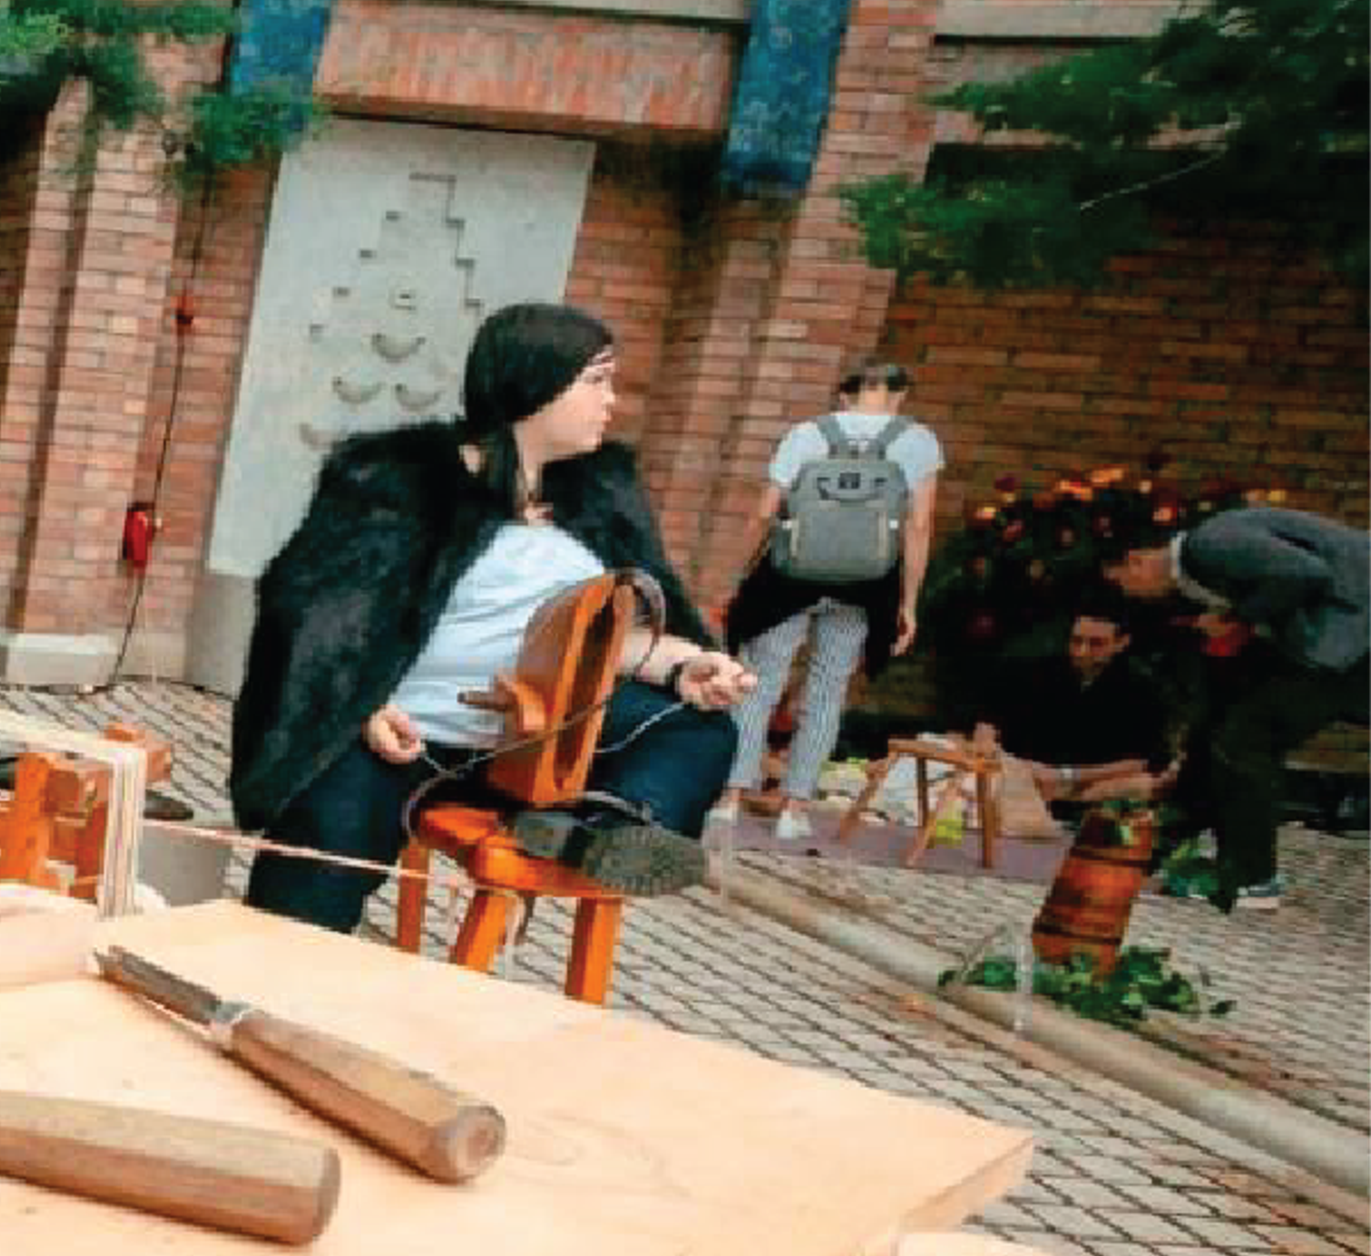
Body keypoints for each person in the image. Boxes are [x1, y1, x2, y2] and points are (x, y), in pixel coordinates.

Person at [231, 302, 754, 933]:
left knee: (698, 729)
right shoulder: (399, 480)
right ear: (535, 379)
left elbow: (616, 637)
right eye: (597, 380)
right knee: (318, 856)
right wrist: (359, 706)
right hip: (403, 738)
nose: (611, 401)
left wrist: (686, 665)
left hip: (537, 744)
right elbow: (312, 607)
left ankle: (598, 832)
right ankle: (261, 982)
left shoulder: (599, 496)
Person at [715, 359, 944, 839]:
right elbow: (919, 526)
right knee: (827, 691)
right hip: (864, 585)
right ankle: (794, 809)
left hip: (789, 580)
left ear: (845, 395)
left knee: (758, 683)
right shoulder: (918, 441)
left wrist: (734, 578)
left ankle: (730, 798)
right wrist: (909, 603)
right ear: (900, 395)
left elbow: (763, 514)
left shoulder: (806, 434)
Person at [1154, 504, 1371, 912]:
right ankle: (1163, 847)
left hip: (1355, 637)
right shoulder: (1216, 553)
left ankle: (1254, 880)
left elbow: (1303, 573)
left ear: (1138, 558)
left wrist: (1239, 619)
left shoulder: (1209, 544)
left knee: (1247, 736)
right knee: (1231, 732)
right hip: (1347, 636)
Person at [977, 605, 1175, 814]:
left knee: (1138, 784)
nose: (1081, 651)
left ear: (1121, 643)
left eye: (1096, 644)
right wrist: (987, 744)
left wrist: (1064, 775)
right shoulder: (1037, 670)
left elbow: (1141, 762)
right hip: (1020, 772)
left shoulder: (1144, 689)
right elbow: (989, 718)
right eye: (1076, 641)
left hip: (1084, 784)